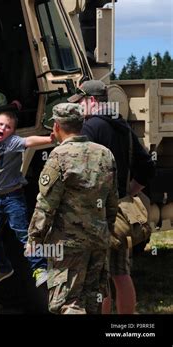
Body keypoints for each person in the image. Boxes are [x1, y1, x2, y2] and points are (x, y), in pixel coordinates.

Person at [67, 80, 155, 314]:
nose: (79, 108)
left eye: (81, 102)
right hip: (120, 215)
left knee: (97, 278)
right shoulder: (123, 126)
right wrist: (128, 193)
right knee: (121, 273)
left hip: (95, 215)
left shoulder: (89, 129)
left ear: (92, 101)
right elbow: (147, 167)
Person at [27, 103, 118, 314]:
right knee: (92, 302)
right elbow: (112, 202)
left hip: (68, 245)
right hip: (98, 240)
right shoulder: (105, 154)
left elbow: (46, 205)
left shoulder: (58, 156)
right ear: (82, 123)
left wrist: (34, 239)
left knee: (69, 303)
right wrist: (105, 230)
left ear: (57, 126)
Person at [0, 93, 51, 287]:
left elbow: (29, 141)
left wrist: (50, 138)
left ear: (13, 131)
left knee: (22, 232)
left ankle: (40, 268)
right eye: (0, 124)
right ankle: (3, 267)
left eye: (8, 127)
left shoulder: (12, 143)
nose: (3, 128)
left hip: (13, 197)